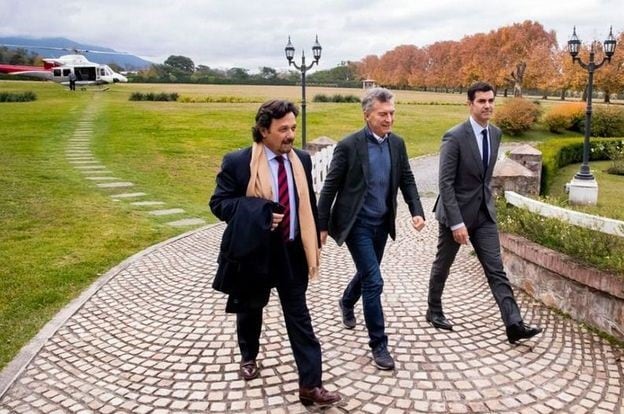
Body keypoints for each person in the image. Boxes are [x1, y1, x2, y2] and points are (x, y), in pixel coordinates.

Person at [209, 100, 341, 408]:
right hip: (255, 253)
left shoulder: (303, 161)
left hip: (292, 251)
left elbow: (308, 200)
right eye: (283, 129)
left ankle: (311, 385)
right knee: (251, 308)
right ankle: (248, 355)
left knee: (299, 317)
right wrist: (260, 212)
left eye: (293, 128)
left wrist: (318, 230)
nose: (291, 135)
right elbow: (219, 204)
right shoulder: (238, 162)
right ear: (263, 130)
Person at [425, 81, 543, 344]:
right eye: (482, 101)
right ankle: (433, 309)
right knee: (443, 264)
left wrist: (485, 206)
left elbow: (484, 178)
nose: (488, 105)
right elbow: (445, 183)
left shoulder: (496, 134)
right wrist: (456, 223)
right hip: (454, 215)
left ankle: (514, 324)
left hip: (484, 214)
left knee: (496, 269)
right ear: (470, 103)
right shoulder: (454, 136)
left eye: (491, 100)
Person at [318, 87, 425, 370]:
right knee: (375, 282)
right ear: (367, 115)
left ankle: (346, 300)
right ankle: (379, 344)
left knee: (368, 274)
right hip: (357, 224)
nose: (389, 119)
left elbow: (407, 178)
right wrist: (322, 224)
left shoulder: (397, 144)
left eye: (392, 113)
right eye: (383, 114)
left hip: (381, 223)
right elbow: (330, 186)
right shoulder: (349, 146)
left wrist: (416, 210)